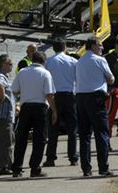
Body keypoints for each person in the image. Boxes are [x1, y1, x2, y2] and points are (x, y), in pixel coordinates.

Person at [11, 51, 56, 178]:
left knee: (21, 138)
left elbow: (14, 90)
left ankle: (17, 167)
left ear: (32, 59)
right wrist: (54, 111)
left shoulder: (22, 72)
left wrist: (16, 105)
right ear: (44, 61)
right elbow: (49, 95)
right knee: (39, 139)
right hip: (40, 107)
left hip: (25, 107)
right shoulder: (46, 73)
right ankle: (35, 168)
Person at [76, 37, 115, 177]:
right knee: (101, 133)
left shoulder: (80, 61)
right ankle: (103, 167)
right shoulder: (100, 60)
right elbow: (111, 78)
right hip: (95, 97)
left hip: (80, 97)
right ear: (92, 46)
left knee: (85, 135)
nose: (102, 48)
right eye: (100, 45)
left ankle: (86, 168)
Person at [43, 38, 78, 167]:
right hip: (69, 96)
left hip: (55, 97)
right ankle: (73, 157)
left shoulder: (49, 62)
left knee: (53, 128)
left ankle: (51, 158)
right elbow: (77, 78)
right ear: (65, 47)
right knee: (72, 128)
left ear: (53, 48)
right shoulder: (73, 61)